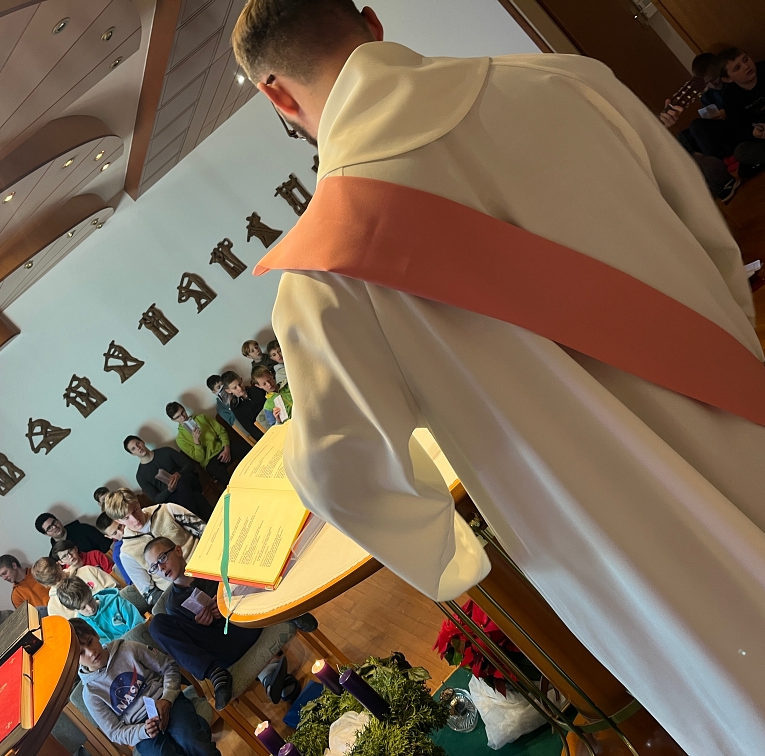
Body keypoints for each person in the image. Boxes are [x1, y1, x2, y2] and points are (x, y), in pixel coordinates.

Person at [234, 2, 765, 753]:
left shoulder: (323, 281)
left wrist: (450, 554)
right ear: (373, 25)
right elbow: (710, 242)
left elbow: (343, 475)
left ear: (276, 96)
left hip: (622, 535)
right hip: (737, 405)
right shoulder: (571, 83)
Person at [143, 537, 308, 709]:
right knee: (157, 624)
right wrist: (201, 625)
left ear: (178, 550)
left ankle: (286, 612)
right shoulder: (173, 605)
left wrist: (226, 602)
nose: (161, 568)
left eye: (162, 558)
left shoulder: (209, 566)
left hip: (249, 619)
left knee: (241, 570)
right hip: (224, 646)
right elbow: (193, 643)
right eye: (154, 567)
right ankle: (216, 675)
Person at [70, 619, 219, 755]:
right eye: (81, 653)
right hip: (140, 728)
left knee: (195, 743)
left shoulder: (127, 648)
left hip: (167, 702)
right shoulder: (90, 694)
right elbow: (114, 732)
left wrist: (167, 699)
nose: (91, 652)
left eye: (90, 642)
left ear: (96, 635)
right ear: (75, 660)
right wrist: (143, 731)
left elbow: (169, 667)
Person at [660, 52, 742, 200]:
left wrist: (728, 112)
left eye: (715, 78)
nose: (714, 84)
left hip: (737, 127)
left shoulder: (733, 84)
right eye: (708, 82)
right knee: (684, 135)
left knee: (696, 125)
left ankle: (718, 168)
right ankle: (708, 177)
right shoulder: (707, 97)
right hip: (719, 134)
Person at [103, 489, 204, 603]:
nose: (135, 519)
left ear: (137, 501)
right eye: (127, 518)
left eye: (135, 510)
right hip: (181, 591)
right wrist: (179, 600)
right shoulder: (127, 553)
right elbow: (149, 593)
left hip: (203, 564)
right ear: (118, 521)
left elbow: (205, 532)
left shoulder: (167, 510)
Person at [123, 435, 211, 518]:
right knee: (196, 497)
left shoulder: (166, 451)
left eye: (138, 443)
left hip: (188, 481)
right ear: (132, 454)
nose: (138, 448)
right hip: (173, 495)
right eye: (133, 448)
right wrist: (169, 490)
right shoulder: (140, 475)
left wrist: (179, 474)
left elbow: (189, 465)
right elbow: (156, 499)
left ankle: (190, 517)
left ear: (143, 442)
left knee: (181, 483)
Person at [57, 576, 145, 643]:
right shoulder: (82, 626)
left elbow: (139, 626)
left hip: (138, 642)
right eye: (83, 608)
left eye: (90, 600)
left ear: (90, 590)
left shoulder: (116, 602)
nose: (91, 608)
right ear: (72, 609)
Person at [720, 47, 765, 173]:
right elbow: (739, 128)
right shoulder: (730, 97)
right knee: (741, 151)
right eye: (737, 68)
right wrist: (754, 133)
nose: (746, 66)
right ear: (728, 79)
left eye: (746, 60)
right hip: (762, 135)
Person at [165, 401, 232, 486]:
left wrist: (226, 447)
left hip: (222, 447)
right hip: (209, 460)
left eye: (183, 412)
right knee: (225, 479)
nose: (183, 417)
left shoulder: (202, 417)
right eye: (178, 417)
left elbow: (221, 431)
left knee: (245, 450)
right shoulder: (180, 439)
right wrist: (196, 441)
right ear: (173, 420)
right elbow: (199, 459)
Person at [33, 557, 116, 620]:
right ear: (45, 585)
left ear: (59, 565)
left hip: (115, 610)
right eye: (53, 583)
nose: (59, 582)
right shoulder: (53, 608)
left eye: (59, 577)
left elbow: (115, 588)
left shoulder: (88, 571)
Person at [35, 512, 112, 557]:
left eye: (54, 522)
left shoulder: (82, 528)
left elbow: (106, 544)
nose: (54, 527)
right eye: (49, 528)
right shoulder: (54, 555)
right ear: (46, 534)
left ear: (58, 520)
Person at [220, 370, 268, 439]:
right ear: (228, 391)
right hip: (264, 432)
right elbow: (250, 428)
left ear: (241, 379)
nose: (239, 388)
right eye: (235, 388)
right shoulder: (236, 407)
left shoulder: (256, 389)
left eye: (240, 384)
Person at [97, 512, 133, 585]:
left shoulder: (137, 525)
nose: (121, 532)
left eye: (120, 526)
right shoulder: (117, 555)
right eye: (114, 533)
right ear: (109, 537)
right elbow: (131, 581)